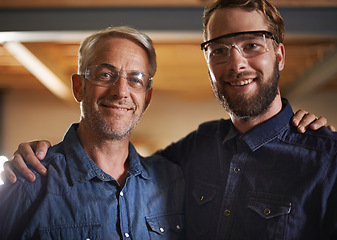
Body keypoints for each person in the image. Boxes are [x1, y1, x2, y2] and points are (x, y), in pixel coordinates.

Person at [2, 0, 337, 239]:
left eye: (252, 45)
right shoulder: (189, 154)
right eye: (219, 50)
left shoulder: (328, 160)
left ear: (279, 55)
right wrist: (32, 156)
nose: (236, 65)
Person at [0, 26, 185, 239]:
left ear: (147, 98)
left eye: (135, 80)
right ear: (79, 87)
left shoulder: (171, 181)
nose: (121, 91)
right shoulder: (28, 184)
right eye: (106, 75)